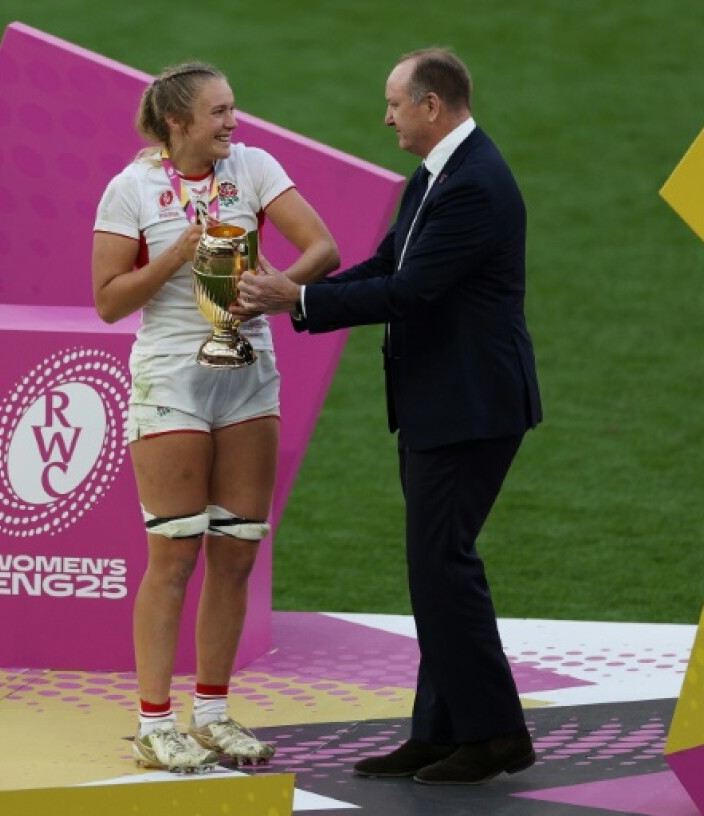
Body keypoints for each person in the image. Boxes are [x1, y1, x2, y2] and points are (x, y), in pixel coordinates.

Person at [238, 47, 542, 786]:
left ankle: (496, 734)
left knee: (444, 565)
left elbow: (413, 293)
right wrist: (299, 291)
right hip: (445, 404)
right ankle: (440, 732)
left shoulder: (474, 186)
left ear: (432, 105)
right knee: (435, 569)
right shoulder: (439, 175)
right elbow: (388, 267)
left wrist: (298, 301)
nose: (386, 117)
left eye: (395, 103)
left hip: (471, 407)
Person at [92, 61, 339, 772]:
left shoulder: (255, 167)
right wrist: (177, 251)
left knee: (236, 554)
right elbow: (108, 300)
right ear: (177, 121)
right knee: (174, 554)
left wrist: (278, 289)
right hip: (172, 376)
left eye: (234, 109)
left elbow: (325, 247)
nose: (234, 122)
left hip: (249, 375)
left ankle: (213, 713)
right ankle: (153, 722)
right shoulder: (132, 188)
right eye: (219, 113)